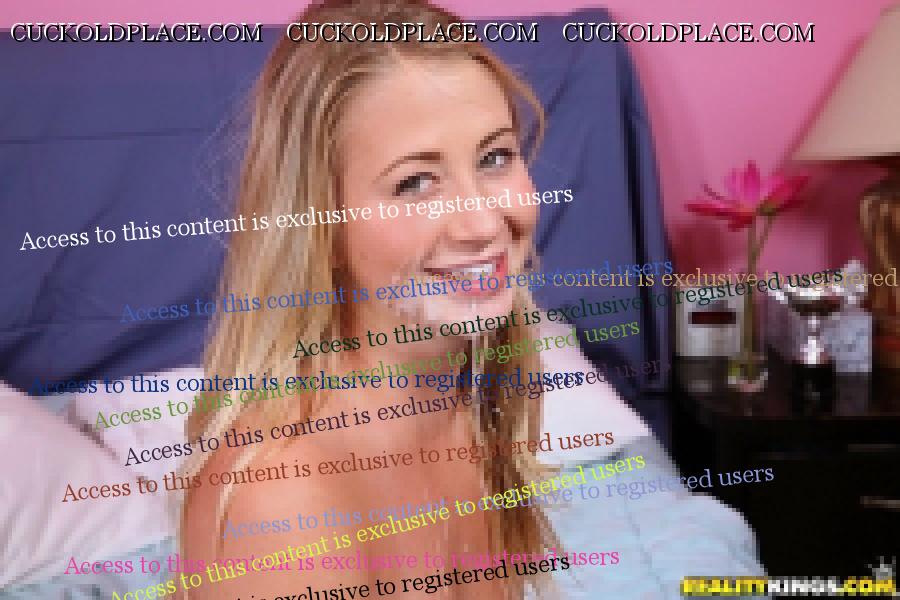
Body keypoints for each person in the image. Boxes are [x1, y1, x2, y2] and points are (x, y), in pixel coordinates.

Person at [177, 2, 764, 599]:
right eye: (415, 182)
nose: (484, 223)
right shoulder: (282, 504)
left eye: (494, 158)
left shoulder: (484, 396)